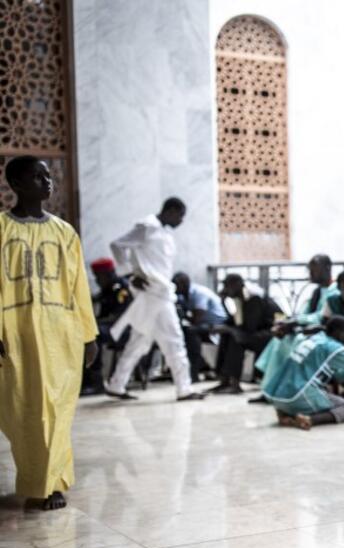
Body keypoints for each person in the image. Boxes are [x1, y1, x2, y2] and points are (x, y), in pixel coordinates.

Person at [0, 156, 99, 510]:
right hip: (16, 335)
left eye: (48, 175)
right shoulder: (2, 228)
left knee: (57, 409)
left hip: (61, 337)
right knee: (23, 410)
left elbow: (78, 289)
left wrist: (89, 335)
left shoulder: (64, 232)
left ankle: (52, 484)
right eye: (37, 176)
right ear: (16, 184)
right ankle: (36, 477)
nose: (48, 181)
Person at [104, 198, 204, 401]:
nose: (181, 221)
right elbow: (117, 245)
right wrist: (130, 274)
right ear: (171, 210)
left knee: (139, 341)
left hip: (160, 292)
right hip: (152, 294)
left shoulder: (165, 232)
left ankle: (116, 385)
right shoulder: (147, 226)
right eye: (180, 216)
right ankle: (184, 389)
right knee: (174, 339)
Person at [252, 254, 335, 403]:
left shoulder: (334, 290)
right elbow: (305, 312)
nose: (310, 274)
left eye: (313, 270)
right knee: (279, 339)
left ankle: (288, 389)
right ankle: (269, 390)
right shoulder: (317, 291)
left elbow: (320, 316)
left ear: (327, 268)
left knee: (297, 342)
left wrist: (295, 322)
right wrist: (287, 323)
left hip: (323, 331)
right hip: (307, 329)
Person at [208, 274, 282, 394]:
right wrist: (223, 302)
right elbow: (236, 321)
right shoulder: (240, 297)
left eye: (227, 286)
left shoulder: (253, 297)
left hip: (273, 334)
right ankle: (224, 380)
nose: (225, 290)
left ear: (238, 284)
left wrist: (229, 329)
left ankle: (235, 384)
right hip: (259, 332)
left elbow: (249, 327)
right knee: (227, 335)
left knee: (237, 338)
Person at [81, 257, 132, 395]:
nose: (97, 281)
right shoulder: (106, 290)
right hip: (111, 329)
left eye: (99, 277)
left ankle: (96, 382)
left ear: (109, 273)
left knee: (93, 335)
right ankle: (84, 380)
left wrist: (95, 324)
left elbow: (119, 317)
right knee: (86, 333)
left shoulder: (121, 289)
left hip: (124, 331)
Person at [173, 272, 228, 381]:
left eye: (176, 285)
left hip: (217, 325)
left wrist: (184, 317)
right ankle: (199, 366)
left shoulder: (199, 293)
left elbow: (197, 318)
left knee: (191, 332)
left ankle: (194, 372)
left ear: (184, 284)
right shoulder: (182, 296)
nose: (174, 288)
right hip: (203, 325)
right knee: (183, 333)